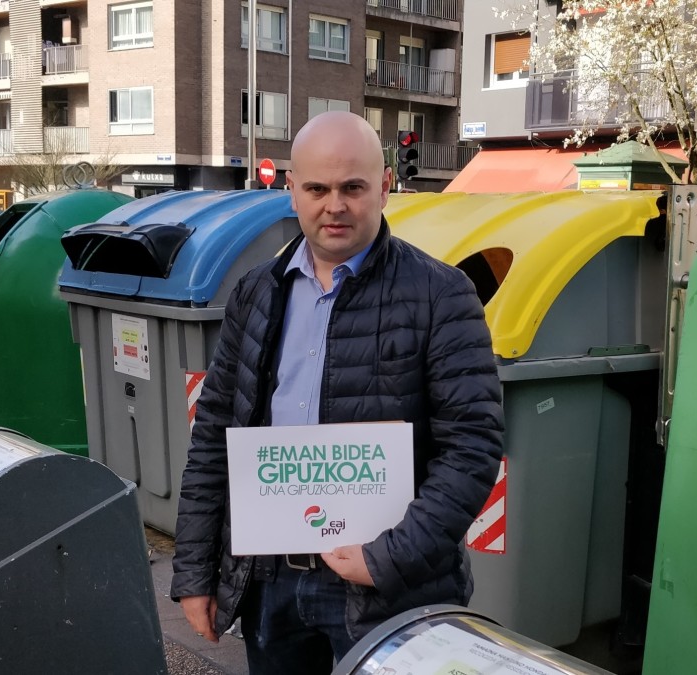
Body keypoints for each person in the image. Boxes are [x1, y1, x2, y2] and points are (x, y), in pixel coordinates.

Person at [171, 110, 505, 673]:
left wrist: (387, 558)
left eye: (353, 187)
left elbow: (471, 448)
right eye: (317, 188)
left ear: (384, 188)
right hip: (271, 580)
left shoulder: (442, 294)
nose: (335, 205)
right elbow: (214, 436)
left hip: (390, 590)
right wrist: (195, 573)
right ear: (291, 191)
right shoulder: (255, 293)